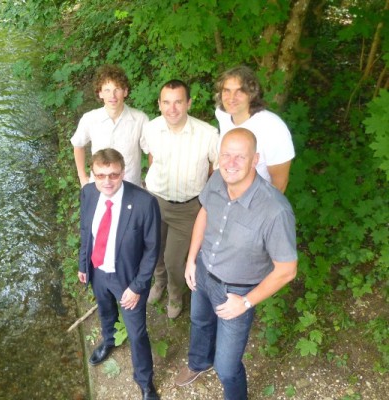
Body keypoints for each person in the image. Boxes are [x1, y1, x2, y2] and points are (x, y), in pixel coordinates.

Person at [174, 128, 298, 400]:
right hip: (204, 272)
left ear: (255, 160)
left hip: (236, 292)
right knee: (199, 321)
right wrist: (192, 259)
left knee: (227, 367)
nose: (230, 163)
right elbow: (205, 212)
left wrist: (245, 303)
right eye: (226, 155)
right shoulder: (218, 178)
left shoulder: (275, 211)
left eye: (239, 157)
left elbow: (287, 270)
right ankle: (198, 363)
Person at [78, 148, 161, 400]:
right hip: (98, 271)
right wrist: (83, 264)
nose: (107, 181)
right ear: (93, 174)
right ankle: (109, 341)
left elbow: (152, 250)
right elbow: (86, 232)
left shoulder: (145, 203)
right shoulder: (89, 193)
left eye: (113, 175)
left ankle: (145, 382)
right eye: (100, 175)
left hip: (128, 278)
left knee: (136, 333)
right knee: (105, 311)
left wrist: (137, 287)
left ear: (123, 172)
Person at [143, 79, 219, 319]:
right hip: (154, 202)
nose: (172, 108)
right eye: (166, 102)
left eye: (178, 102)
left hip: (187, 210)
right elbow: (151, 157)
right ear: (159, 104)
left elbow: (215, 169)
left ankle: (176, 294)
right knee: (154, 250)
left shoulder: (207, 134)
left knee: (175, 260)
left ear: (188, 103)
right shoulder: (152, 128)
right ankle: (159, 282)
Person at [214, 65, 295, 193]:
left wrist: (263, 211)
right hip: (225, 194)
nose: (231, 98)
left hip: (255, 201)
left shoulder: (273, 128)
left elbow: (280, 183)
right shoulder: (222, 114)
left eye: (239, 91)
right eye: (226, 91)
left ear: (252, 94)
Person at [71, 65, 149, 187]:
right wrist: (82, 177)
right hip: (99, 188)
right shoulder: (90, 119)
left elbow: (152, 151)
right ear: (100, 93)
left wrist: (150, 181)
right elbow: (78, 145)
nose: (112, 96)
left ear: (125, 92)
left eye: (117, 89)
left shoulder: (140, 119)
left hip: (131, 188)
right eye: (107, 90)